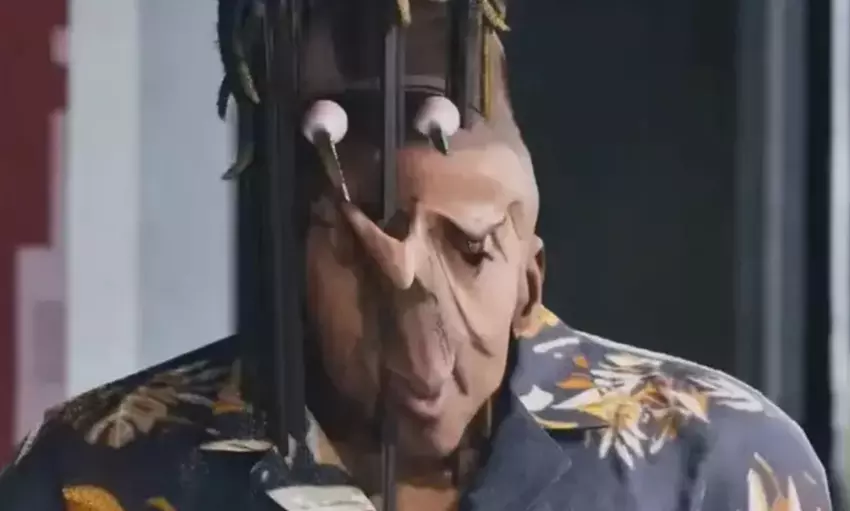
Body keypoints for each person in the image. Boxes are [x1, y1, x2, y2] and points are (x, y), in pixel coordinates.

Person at [0, 1, 833, 510]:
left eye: (470, 251)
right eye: (358, 260)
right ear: (298, 260)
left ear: (531, 275)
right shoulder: (96, 466)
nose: (422, 354)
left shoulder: (717, 463)